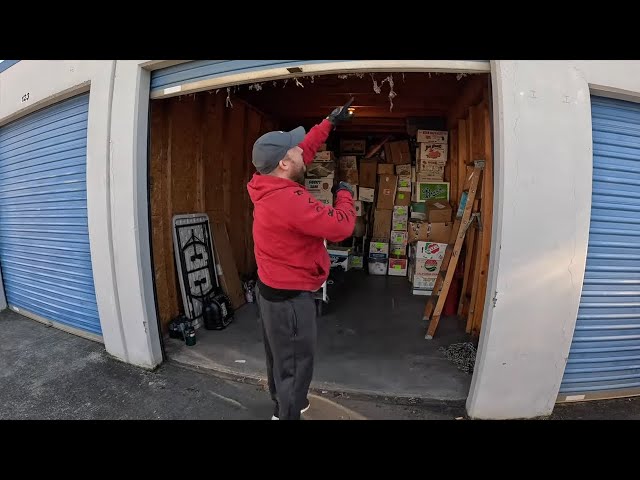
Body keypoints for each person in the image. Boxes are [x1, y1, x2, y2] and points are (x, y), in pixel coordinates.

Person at [247, 99, 357, 420]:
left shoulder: (264, 182)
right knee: (296, 363)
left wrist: (329, 123)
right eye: (294, 151)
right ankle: (288, 414)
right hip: (291, 300)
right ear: (283, 163)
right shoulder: (289, 201)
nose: (303, 153)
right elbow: (341, 226)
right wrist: (344, 193)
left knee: (280, 358)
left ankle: (283, 401)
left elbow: (304, 151)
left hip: (271, 291)